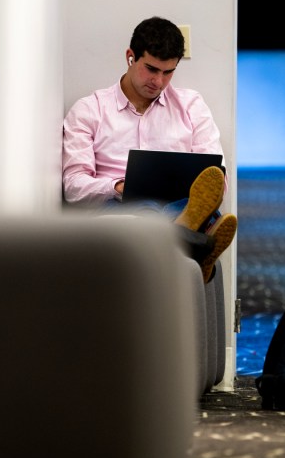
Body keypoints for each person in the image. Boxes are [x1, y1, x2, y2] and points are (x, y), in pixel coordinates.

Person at [62, 16, 236, 282]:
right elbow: (74, 186)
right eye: (152, 69)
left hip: (182, 202)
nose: (159, 82)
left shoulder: (191, 106)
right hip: (120, 208)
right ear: (131, 57)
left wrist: (212, 184)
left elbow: (216, 179)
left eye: (168, 72)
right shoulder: (89, 110)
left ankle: (185, 228)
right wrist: (119, 187)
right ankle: (193, 239)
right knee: (146, 215)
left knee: (197, 198)